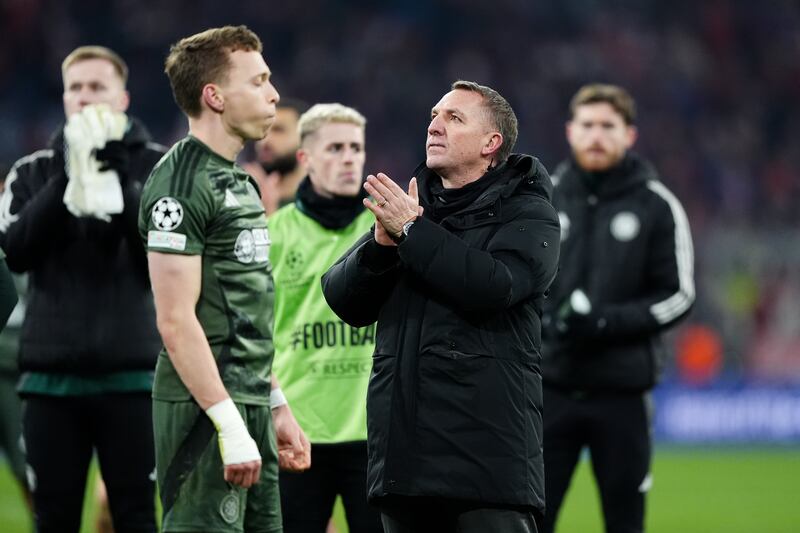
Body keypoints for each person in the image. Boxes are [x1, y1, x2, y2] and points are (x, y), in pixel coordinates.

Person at [321, 80, 561, 533]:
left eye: (454, 118)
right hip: (404, 470)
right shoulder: (413, 211)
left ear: (492, 144)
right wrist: (381, 245)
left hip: (487, 471)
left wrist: (412, 232)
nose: (435, 125)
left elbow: (495, 286)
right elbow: (342, 299)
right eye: (434, 115)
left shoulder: (529, 214)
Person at [139, 25, 310, 533]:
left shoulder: (239, 181)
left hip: (249, 400)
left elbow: (243, 314)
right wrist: (229, 423)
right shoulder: (179, 183)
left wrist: (273, 402)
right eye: (258, 81)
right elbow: (174, 320)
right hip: (203, 412)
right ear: (214, 96)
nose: (273, 94)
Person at [0, 45, 164, 533]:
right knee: (53, 519)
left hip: (132, 376)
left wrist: (122, 187)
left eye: (98, 87)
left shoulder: (157, 168)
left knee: (135, 516)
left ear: (123, 98)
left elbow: (161, 255)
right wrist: (68, 176)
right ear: (65, 96)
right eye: (76, 87)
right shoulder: (33, 170)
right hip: (51, 379)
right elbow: (17, 251)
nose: (86, 97)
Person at [540, 83, 695, 533]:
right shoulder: (542, 198)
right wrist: (544, 322)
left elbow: (679, 295)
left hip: (622, 395)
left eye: (608, 126)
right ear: (570, 132)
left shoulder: (657, 205)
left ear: (630, 136)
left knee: (625, 522)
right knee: (530, 520)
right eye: (587, 125)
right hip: (551, 390)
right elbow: (515, 281)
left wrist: (608, 323)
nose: (596, 135)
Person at [269, 103, 382, 533]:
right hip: (297, 433)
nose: (350, 157)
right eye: (335, 148)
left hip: (373, 434)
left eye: (356, 147)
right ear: (305, 158)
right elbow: (255, 331)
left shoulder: (386, 229)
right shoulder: (274, 233)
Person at [243, 98, 309, 215]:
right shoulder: (238, 198)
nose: (264, 140)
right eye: (262, 129)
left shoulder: (323, 206)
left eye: (278, 130)